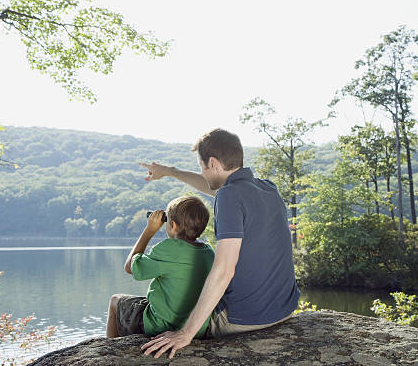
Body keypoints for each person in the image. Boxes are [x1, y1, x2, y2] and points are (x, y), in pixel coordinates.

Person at [139, 128, 300, 359]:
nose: (202, 172)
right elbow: (214, 186)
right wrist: (170, 172)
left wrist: (186, 333)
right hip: (283, 311)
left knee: (142, 308)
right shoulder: (268, 189)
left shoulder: (228, 197)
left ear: (213, 163)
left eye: (202, 166)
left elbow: (224, 269)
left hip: (242, 320)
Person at [106, 196, 215, 339]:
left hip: (160, 325)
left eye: (167, 220)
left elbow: (130, 267)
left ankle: (111, 350)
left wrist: (149, 231)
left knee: (115, 301)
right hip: (196, 329)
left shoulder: (167, 249)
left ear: (173, 225)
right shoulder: (209, 253)